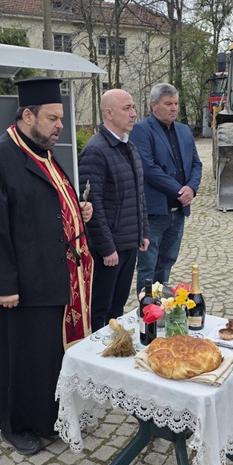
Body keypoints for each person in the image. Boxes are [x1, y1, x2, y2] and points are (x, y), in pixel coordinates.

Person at [0, 77, 94, 456]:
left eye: (61, 119)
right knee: (20, 357)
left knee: (46, 355)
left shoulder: (42, 152)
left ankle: (47, 416)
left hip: (56, 275)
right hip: (21, 283)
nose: (60, 126)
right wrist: (3, 284)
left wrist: (78, 211)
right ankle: (15, 425)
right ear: (28, 115)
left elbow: (47, 204)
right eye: (53, 118)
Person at [78, 89, 150, 332]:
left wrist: (143, 232)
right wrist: (107, 247)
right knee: (101, 310)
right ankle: (97, 355)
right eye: (127, 108)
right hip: (109, 249)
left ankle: (113, 350)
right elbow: (92, 205)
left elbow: (138, 194)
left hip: (129, 242)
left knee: (117, 308)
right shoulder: (95, 151)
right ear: (108, 113)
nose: (134, 113)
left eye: (133, 107)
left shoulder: (129, 146)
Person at [129, 83, 202, 294]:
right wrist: (181, 191)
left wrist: (192, 188)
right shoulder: (141, 130)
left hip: (177, 213)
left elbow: (196, 164)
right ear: (154, 106)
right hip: (154, 213)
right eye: (168, 103)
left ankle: (161, 308)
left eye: (176, 103)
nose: (174, 108)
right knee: (148, 267)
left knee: (167, 262)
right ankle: (146, 313)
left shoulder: (184, 130)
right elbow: (148, 168)